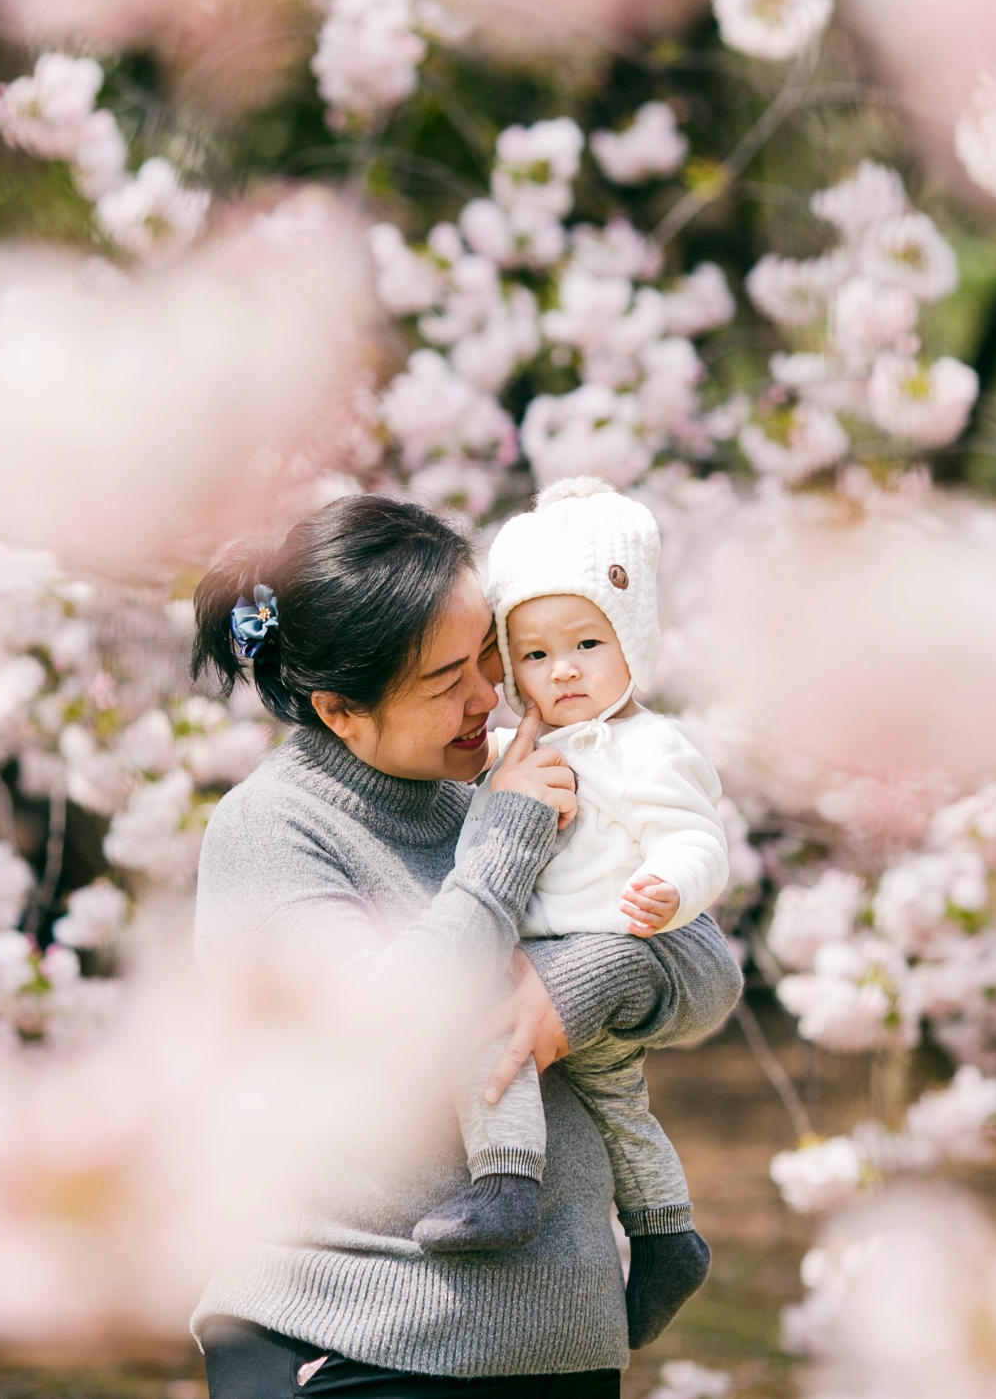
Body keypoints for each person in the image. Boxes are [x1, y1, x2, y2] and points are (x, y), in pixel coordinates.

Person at [187, 492, 743, 1396]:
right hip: (353, 1333)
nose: (492, 694)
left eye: (490, 650)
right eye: (447, 681)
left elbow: (708, 973)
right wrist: (505, 845)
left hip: (556, 1338)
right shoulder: (272, 831)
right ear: (339, 712)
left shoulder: (507, 785)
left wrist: (579, 982)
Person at [413, 479, 725, 1356]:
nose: (567, 671)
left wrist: (670, 885)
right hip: (550, 960)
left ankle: (504, 1181)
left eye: (589, 643)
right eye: (538, 656)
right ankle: (667, 1234)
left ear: (634, 640)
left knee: (491, 1042)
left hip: (599, 955)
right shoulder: (526, 752)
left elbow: (698, 839)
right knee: (624, 1111)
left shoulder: (649, 747)